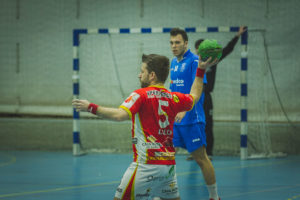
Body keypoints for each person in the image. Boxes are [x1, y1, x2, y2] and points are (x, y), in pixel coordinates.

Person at [72, 53, 217, 200]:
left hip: (145, 166)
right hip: (168, 169)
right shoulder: (174, 97)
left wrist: (90, 107)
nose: (139, 75)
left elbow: (119, 115)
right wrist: (200, 70)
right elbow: (194, 96)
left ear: (152, 75)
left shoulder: (140, 95)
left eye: (142, 72)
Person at [169, 28, 220, 200]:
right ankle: (164, 194)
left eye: (177, 42)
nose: (174, 46)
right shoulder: (173, 63)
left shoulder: (195, 62)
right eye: (171, 43)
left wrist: (185, 108)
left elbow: (197, 89)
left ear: (185, 43)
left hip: (192, 120)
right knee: (166, 157)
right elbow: (174, 90)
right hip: (175, 121)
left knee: (201, 159)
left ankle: (214, 196)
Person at [192, 26, 247, 159]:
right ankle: (195, 152)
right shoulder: (193, 62)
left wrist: (237, 36)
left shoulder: (213, 61)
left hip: (206, 97)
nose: (201, 52)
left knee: (208, 125)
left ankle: (208, 152)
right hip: (194, 97)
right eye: (199, 50)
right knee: (194, 125)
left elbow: (227, 49)